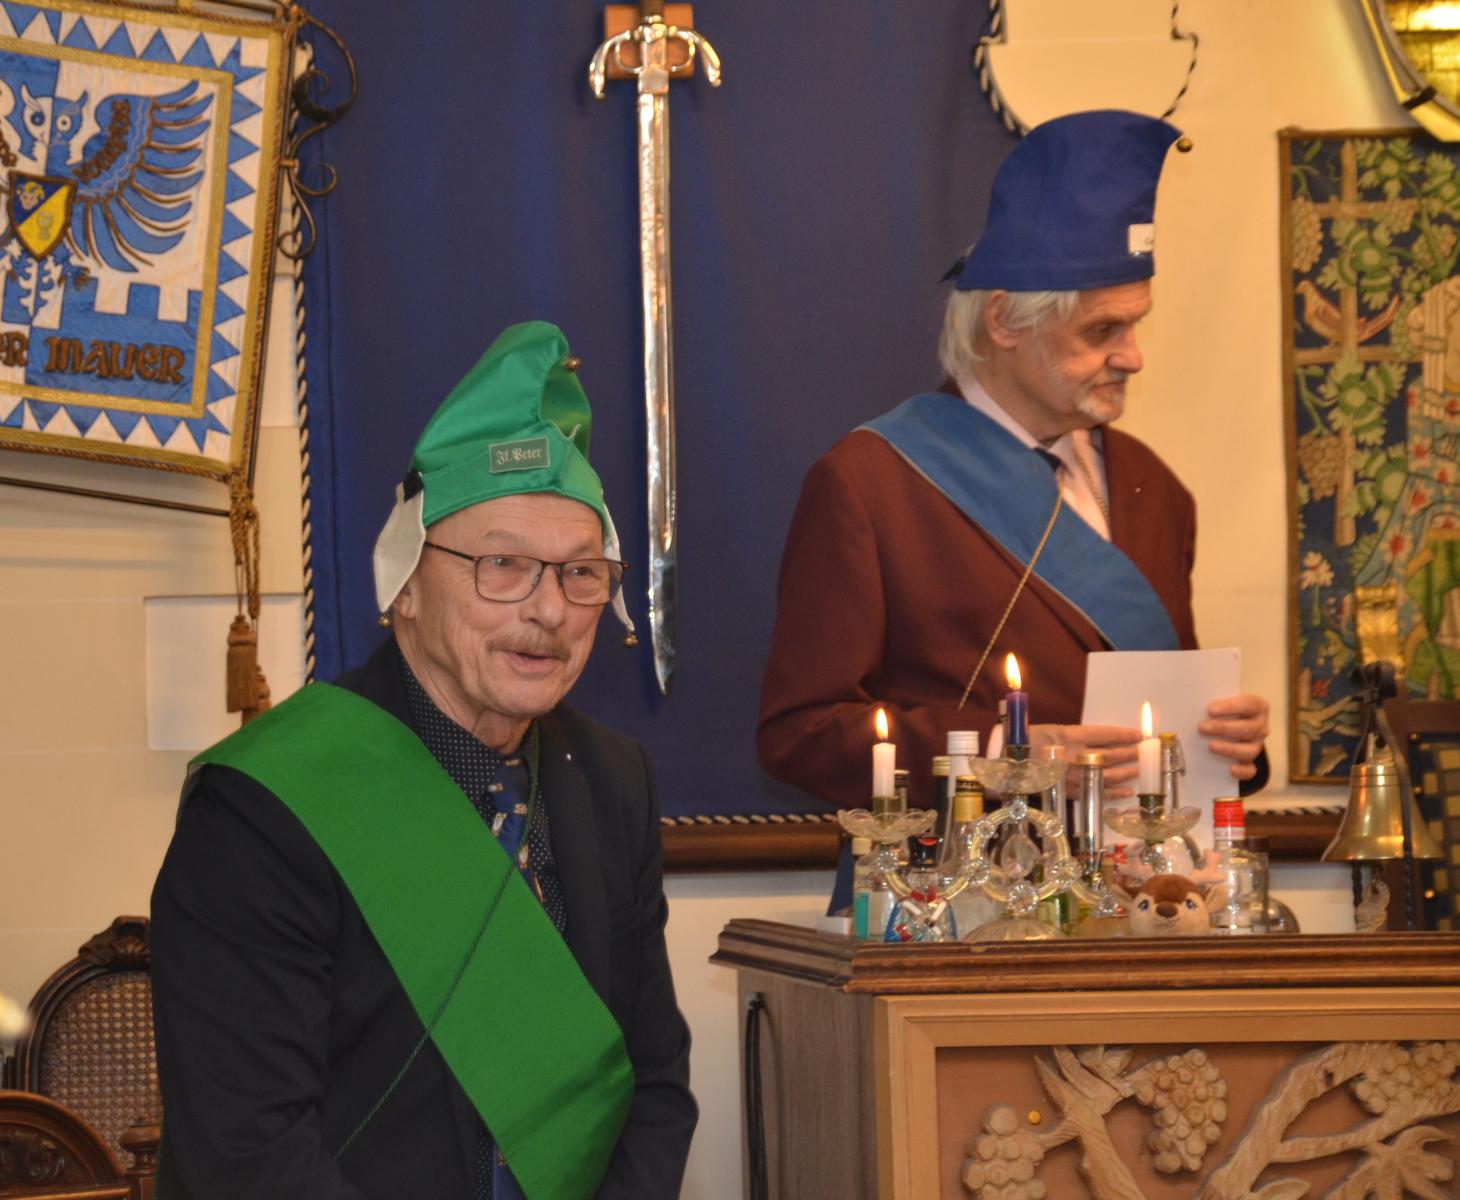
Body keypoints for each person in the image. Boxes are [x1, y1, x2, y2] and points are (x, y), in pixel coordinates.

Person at [151, 321, 697, 1199]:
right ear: (404, 585)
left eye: (581, 573)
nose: (549, 611)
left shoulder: (612, 779)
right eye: (503, 564)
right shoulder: (266, 807)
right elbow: (248, 1150)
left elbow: (653, 1083)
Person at [757, 110, 1270, 810]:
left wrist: (1231, 744)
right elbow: (801, 734)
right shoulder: (869, 484)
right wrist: (1006, 755)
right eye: (1102, 330)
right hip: (959, 872)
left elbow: (1160, 714)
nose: (1132, 357)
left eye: (1135, 325)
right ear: (1004, 321)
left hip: (1134, 871)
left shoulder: (1154, 487)